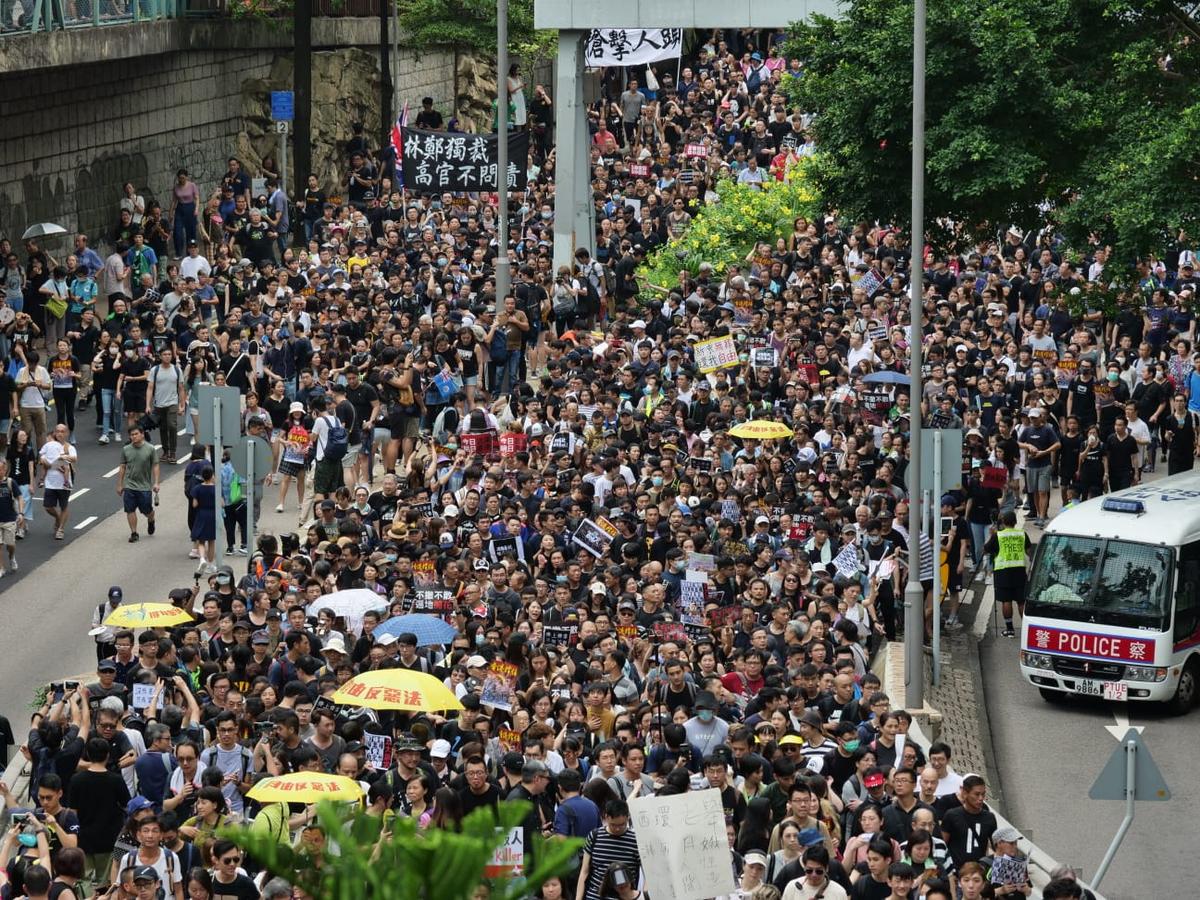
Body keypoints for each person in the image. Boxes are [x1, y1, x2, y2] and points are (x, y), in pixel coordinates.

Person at [984, 511, 1031, 637]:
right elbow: (1028, 550)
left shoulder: (998, 536)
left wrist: (991, 535)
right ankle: (1026, 630)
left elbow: (986, 549)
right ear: (1015, 522)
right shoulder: (1022, 534)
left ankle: (1009, 629)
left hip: (1003, 572)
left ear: (1003, 522)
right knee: (1021, 601)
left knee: (1006, 600)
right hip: (1020, 571)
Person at [116, 423, 160, 543]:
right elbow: (122, 467)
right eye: (131, 435)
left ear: (142, 435)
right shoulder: (126, 449)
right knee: (130, 509)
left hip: (145, 486)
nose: (134, 437)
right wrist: (120, 484)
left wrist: (156, 482)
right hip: (129, 485)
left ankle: (151, 519)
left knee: (147, 511)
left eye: (136, 434)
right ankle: (134, 533)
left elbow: (155, 465)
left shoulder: (150, 449)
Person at [39, 422, 76, 540]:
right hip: (50, 481)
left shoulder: (69, 447)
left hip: (64, 483)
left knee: (64, 506)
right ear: (54, 433)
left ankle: (60, 529)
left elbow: (74, 458)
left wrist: (64, 457)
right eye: (58, 431)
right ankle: (58, 518)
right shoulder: (49, 445)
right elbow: (41, 456)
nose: (60, 434)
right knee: (48, 506)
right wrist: (43, 460)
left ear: (67, 433)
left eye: (62, 431)